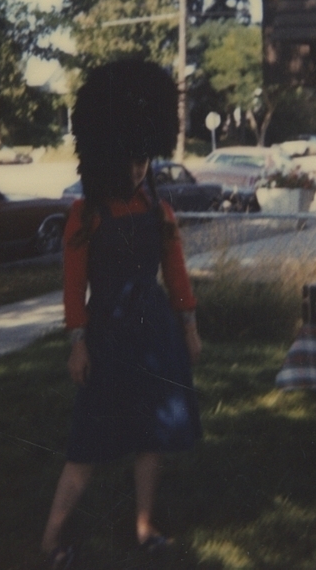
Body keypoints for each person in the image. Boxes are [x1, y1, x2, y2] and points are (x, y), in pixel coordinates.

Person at [39, 59, 202, 569]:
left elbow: (177, 278)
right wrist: (78, 343)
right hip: (108, 334)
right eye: (130, 162)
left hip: (155, 332)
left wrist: (190, 331)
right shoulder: (84, 215)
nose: (138, 171)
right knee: (87, 444)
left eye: (145, 161)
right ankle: (50, 540)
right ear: (106, 157)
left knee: (151, 436)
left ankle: (144, 526)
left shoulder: (161, 214)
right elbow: (72, 289)